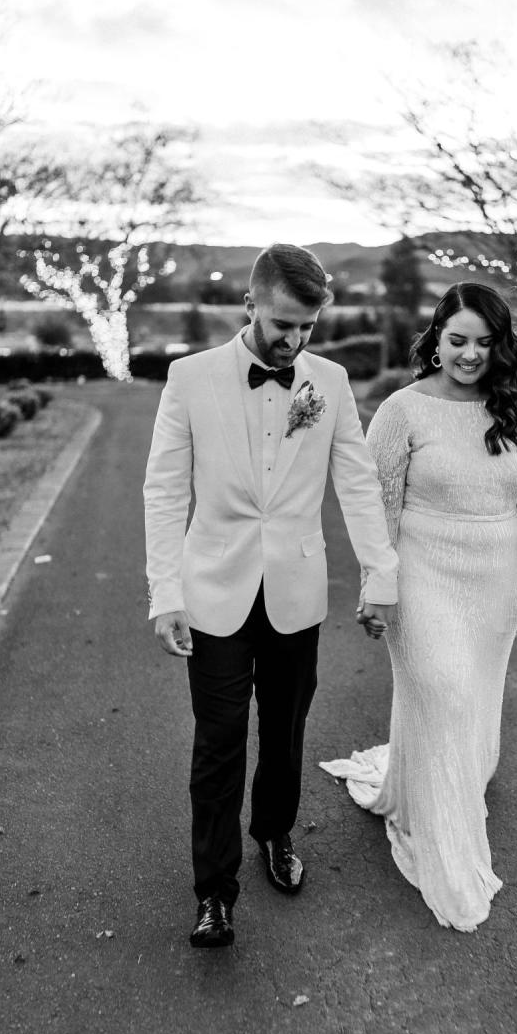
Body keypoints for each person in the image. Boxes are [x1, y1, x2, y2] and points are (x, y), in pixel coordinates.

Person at [144, 243, 398, 948]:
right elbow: (164, 491)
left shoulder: (332, 383)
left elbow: (357, 483)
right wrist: (165, 592)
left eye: (308, 328)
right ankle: (213, 892)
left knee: (285, 735)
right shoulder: (189, 378)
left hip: (296, 589)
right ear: (249, 305)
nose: (294, 340)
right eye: (283, 324)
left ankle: (275, 834)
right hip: (213, 590)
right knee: (219, 743)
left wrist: (382, 576)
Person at [321, 282, 517, 932]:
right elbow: (377, 507)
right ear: (436, 339)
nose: (470, 354)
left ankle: (450, 780)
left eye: (484, 342)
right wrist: (378, 583)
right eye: (458, 340)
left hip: (495, 580)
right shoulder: (404, 410)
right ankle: (437, 833)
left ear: (500, 345)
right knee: (445, 692)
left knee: (475, 697)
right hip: (423, 575)